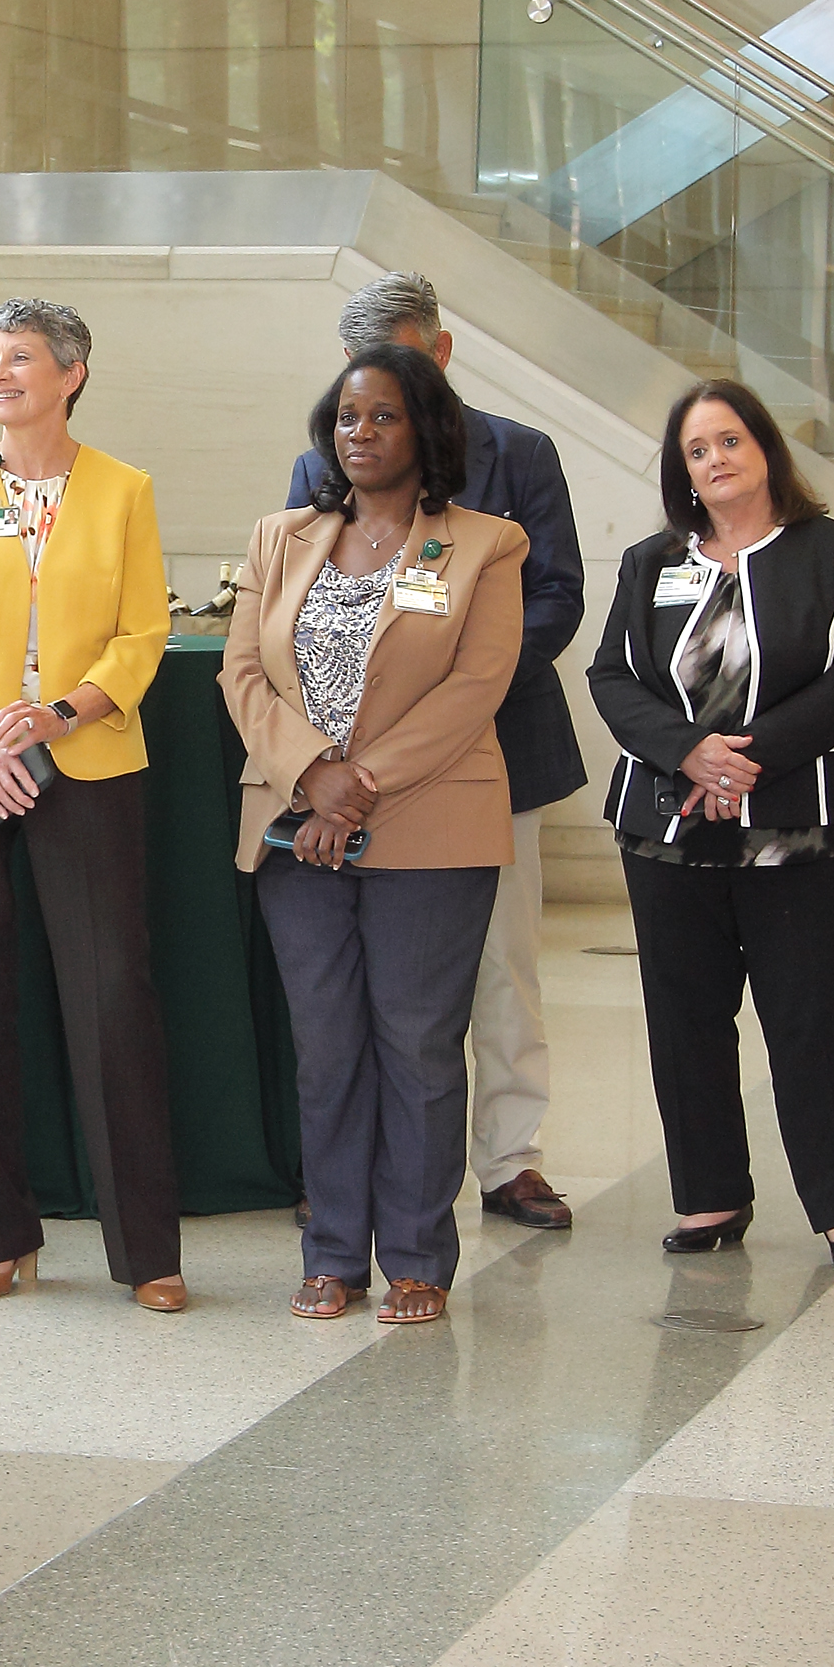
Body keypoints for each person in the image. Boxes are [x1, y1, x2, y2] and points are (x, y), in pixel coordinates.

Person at [226, 344, 527, 1325]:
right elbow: (242, 675)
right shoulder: (280, 538)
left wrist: (356, 788)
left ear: (426, 429)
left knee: (419, 1047)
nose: (360, 433)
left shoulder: (486, 544)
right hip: (295, 833)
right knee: (326, 1050)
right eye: (348, 417)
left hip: (430, 828)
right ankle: (331, 1254)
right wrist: (311, 775)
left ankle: (416, 1257)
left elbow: (475, 686)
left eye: (383, 416)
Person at [0, 297, 184, 1312]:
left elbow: (142, 634)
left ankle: (146, 1252)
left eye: (20, 358)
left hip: (84, 757)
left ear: (72, 373)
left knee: (112, 999)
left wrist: (57, 716)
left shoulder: (123, 490)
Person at [285, 273, 588, 1234]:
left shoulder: (518, 453)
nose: (372, 409)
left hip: (490, 751)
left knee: (501, 967)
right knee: (361, 997)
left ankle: (511, 1160)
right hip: (349, 774)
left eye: (405, 363)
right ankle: (359, 1172)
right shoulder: (319, 465)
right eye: (359, 373)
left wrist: (463, 684)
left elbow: (557, 596)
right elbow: (293, 614)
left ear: (443, 353)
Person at [587, 378, 834, 1268]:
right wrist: (690, 752)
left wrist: (750, 758)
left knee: (809, 1016)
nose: (715, 460)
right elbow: (611, 676)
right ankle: (710, 1197)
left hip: (798, 820)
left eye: (729, 441)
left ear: (763, 449)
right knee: (685, 1018)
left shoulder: (831, 549)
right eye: (696, 450)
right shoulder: (650, 562)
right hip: (667, 822)